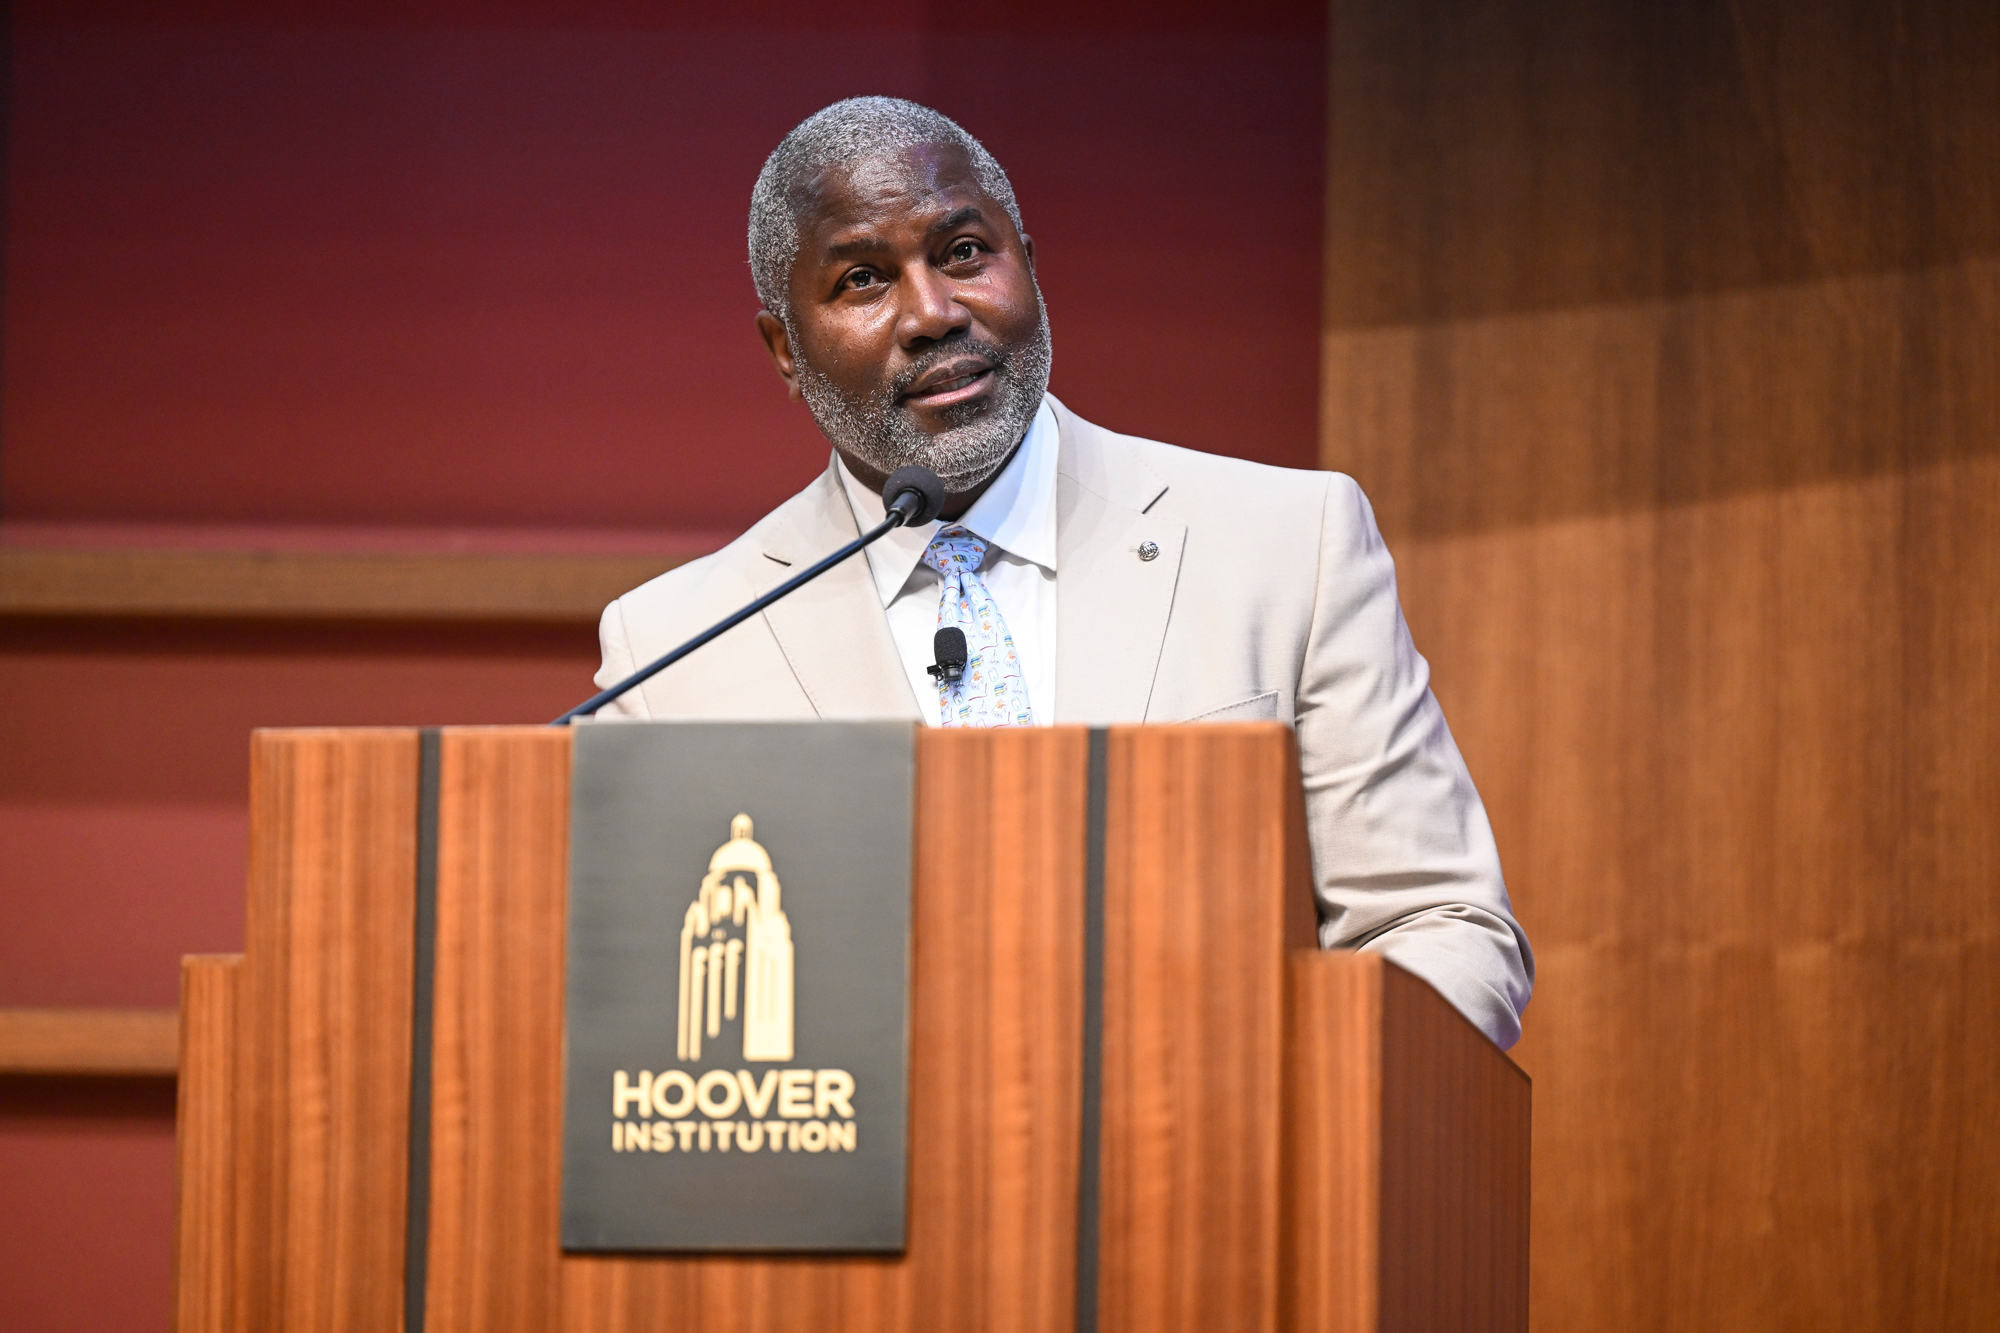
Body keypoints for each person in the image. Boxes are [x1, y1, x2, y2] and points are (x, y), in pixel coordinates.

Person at [593, 97, 1533, 1047]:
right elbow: (640, 1023)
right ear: (785, 351)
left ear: (1029, 266)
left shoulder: (1288, 544)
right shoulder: (672, 654)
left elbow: (1440, 927)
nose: (934, 312)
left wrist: (1272, 1122)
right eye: (865, 279)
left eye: (964, 252)